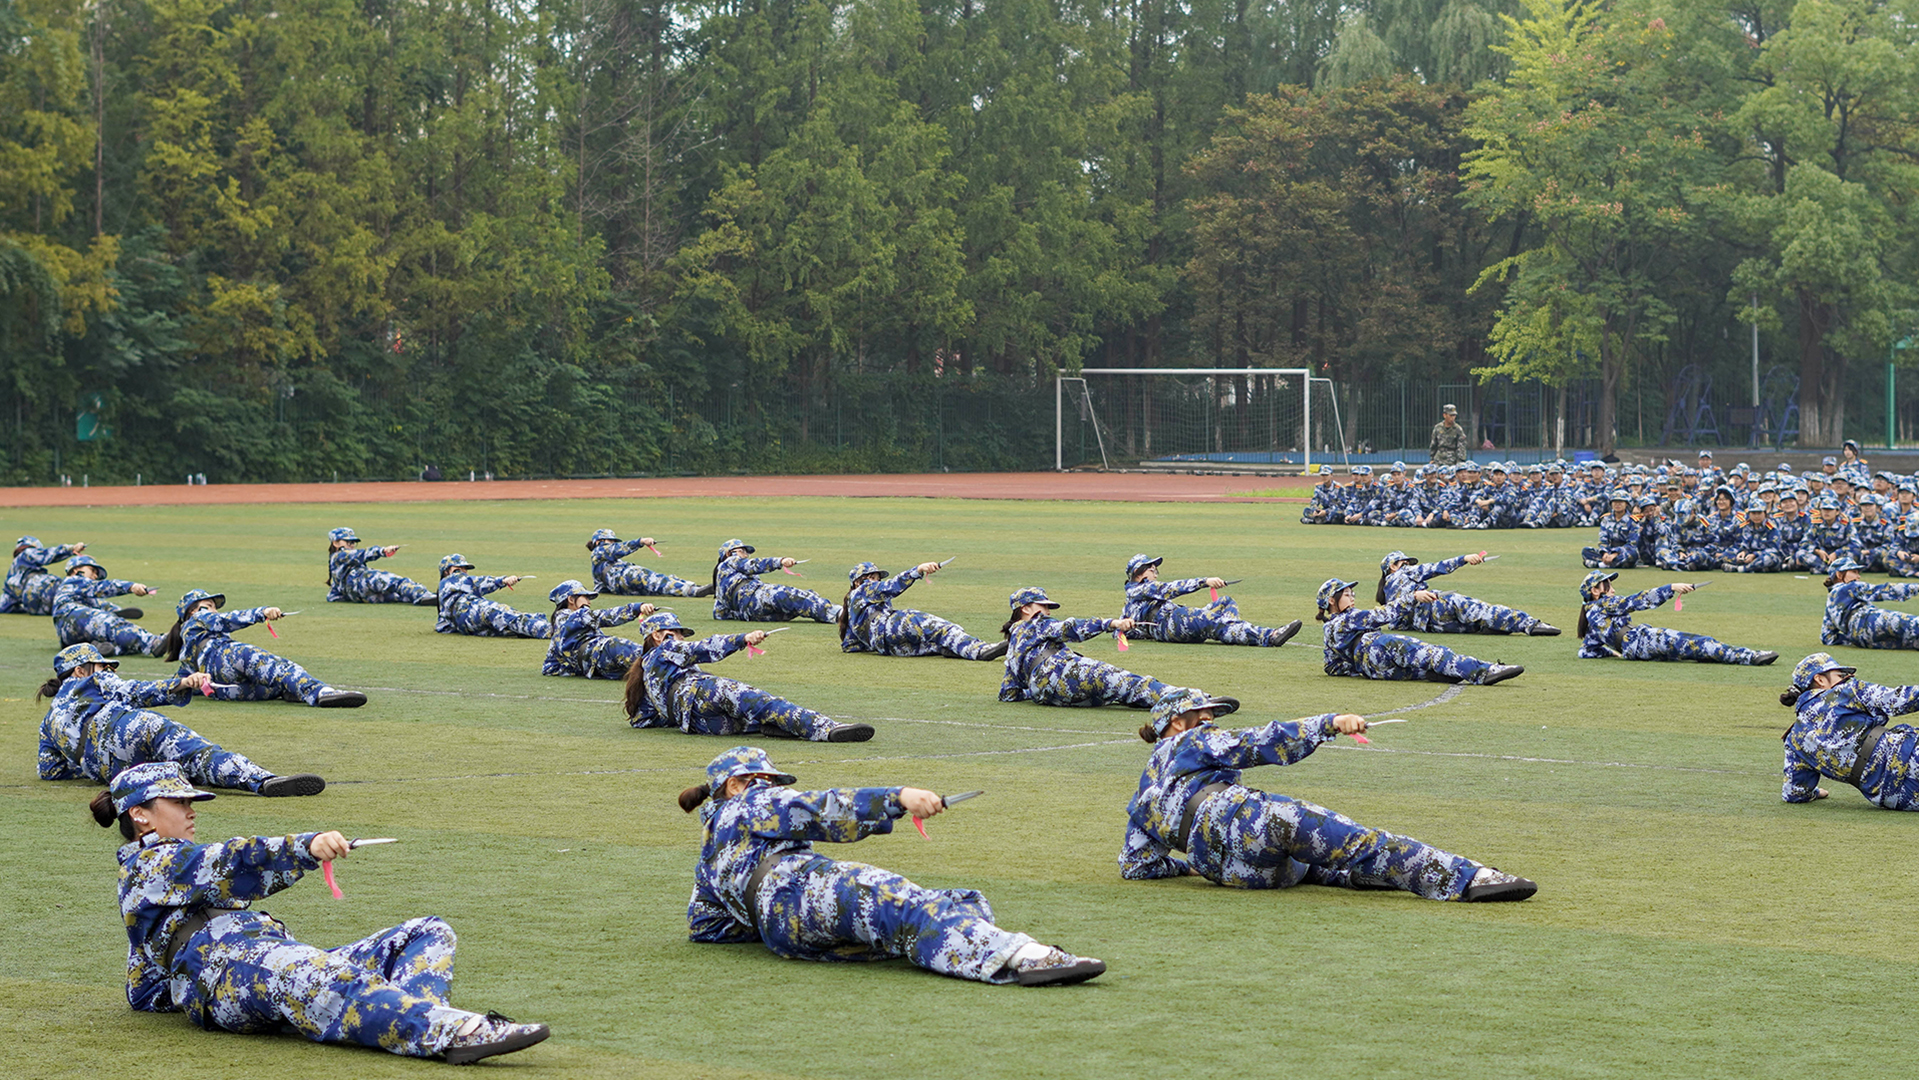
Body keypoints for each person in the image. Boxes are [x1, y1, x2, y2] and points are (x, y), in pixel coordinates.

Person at [94, 762, 548, 1062]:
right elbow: (234, 859)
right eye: (179, 802)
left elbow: (142, 988)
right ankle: (454, 1032)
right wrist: (304, 846)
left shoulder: (170, 870)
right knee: (324, 975)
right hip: (231, 971)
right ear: (140, 816)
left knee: (427, 932)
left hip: (258, 964)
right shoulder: (148, 864)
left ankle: (413, 1018)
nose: (191, 811)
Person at [680, 747, 1106, 985]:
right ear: (735, 785)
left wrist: (771, 917)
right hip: (800, 888)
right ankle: (1024, 956)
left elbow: (705, 925)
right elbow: (820, 807)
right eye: (767, 780)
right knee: (900, 902)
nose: (772, 787)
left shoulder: (710, 844)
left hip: (785, 935)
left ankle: (965, 938)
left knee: (944, 904)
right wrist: (897, 798)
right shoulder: (749, 802)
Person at [1119, 689, 1535, 900]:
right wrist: (1329, 723)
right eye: (1203, 713)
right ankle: (1468, 878)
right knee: (1356, 841)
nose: (1211, 719)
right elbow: (1258, 741)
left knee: (1316, 864)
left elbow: (1136, 865)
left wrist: (1187, 868)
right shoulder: (1190, 741)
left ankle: (1357, 876)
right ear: (1177, 722)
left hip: (1239, 876)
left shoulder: (1142, 794)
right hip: (1250, 822)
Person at [39, 643, 323, 796]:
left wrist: (90, 766)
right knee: (199, 755)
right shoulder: (93, 680)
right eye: (102, 666)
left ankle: (213, 777)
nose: (108, 671)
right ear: (79, 670)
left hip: (115, 772)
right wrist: (182, 683)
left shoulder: (48, 723)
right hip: (133, 729)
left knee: (183, 769)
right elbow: (133, 690)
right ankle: (261, 780)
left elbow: (50, 771)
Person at [627, 612, 873, 741]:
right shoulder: (665, 648)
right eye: (677, 632)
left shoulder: (646, 672)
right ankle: (827, 729)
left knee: (757, 716)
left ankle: (779, 727)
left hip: (702, 725)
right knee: (765, 703)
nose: (681, 637)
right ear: (658, 635)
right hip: (703, 693)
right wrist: (742, 639)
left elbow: (642, 719)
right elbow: (702, 648)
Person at [999, 586, 1199, 708]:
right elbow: (1069, 628)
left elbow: (1008, 694)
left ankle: (1171, 701)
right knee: (1127, 682)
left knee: (1117, 691)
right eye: (1043, 606)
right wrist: (1110, 623)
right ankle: (1189, 699)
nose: (1047, 611)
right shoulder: (1035, 624)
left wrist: (1033, 690)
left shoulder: (1013, 645)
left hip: (1048, 696)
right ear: (1026, 608)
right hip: (1062, 673)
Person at [164, 590, 367, 707]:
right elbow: (226, 619)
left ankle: (294, 691)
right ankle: (321, 692)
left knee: (271, 687)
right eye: (209, 605)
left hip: (221, 685)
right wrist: (262, 613)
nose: (214, 609)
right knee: (279, 667)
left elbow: (181, 678)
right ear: (193, 611)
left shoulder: (187, 644)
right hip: (227, 656)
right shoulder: (199, 618)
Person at [1778, 653, 1919, 809]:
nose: (1846, 677)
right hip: (1911, 757)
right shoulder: (1846, 691)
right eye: (1840, 675)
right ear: (1820, 679)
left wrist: (1814, 793)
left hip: (1896, 797)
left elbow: (1793, 793)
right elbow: (1902, 700)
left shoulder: (1794, 739)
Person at [1316, 578, 1522, 684]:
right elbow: (1384, 614)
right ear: (1332, 601)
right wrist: (1413, 597)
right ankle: (1484, 672)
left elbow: (1331, 667)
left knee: (1422, 669)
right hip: (1380, 646)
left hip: (1375, 671)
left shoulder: (1328, 628)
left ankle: (1446, 673)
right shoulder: (1348, 618)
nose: (1352, 597)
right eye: (1347, 594)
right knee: (1433, 653)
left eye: (1352, 593)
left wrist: (1360, 667)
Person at [1575, 571, 1776, 664]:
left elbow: (1587, 650)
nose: (1612, 589)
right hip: (1644, 640)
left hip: (1636, 647)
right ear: (1595, 591)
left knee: (1694, 650)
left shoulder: (1591, 616)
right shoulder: (1602, 604)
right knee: (1699, 643)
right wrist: (1671, 588)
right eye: (1607, 585)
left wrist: (1614, 653)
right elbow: (1636, 600)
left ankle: (1743, 656)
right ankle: (1750, 656)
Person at [1120, 554, 1301, 647]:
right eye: (1152, 569)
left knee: (1225, 602)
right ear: (1138, 573)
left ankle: (1231, 631)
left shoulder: (1131, 601)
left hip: (1175, 621)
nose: (1155, 573)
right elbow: (1171, 588)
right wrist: (1204, 581)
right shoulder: (1141, 588)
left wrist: (1145, 632)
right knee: (1212, 620)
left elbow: (1121, 631)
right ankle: (1269, 636)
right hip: (1170, 622)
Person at [839, 560, 1005, 660]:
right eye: (872, 578)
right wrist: (917, 570)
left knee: (935, 644)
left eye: (876, 578)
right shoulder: (863, 589)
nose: (875, 582)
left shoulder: (852, 605)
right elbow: (891, 586)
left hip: (886, 647)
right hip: (889, 626)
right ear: (858, 582)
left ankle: (959, 650)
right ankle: (980, 650)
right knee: (940, 628)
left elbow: (850, 645)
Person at [1376, 550, 1558, 636]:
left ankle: (1497, 627)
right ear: (1393, 566)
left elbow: (1396, 619)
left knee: (1473, 626)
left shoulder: (1387, 592)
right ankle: (1529, 624)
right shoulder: (1403, 573)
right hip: (1439, 606)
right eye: (1404, 562)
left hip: (1431, 625)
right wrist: (1463, 559)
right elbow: (1435, 567)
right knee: (1482, 610)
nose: (1408, 565)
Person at [52, 555, 165, 657]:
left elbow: (100, 603)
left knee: (117, 639)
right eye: (92, 570)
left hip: (69, 638)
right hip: (72, 618)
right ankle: (152, 642)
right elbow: (102, 586)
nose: (95, 575)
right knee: (111, 623)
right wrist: (131, 587)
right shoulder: (73, 580)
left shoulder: (77, 591)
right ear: (76, 570)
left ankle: (101, 648)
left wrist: (114, 610)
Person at [541, 580, 653, 678]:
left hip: (600, 668)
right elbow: (606, 616)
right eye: (585, 597)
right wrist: (637, 608)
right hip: (606, 652)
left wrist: (581, 669)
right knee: (652, 659)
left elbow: (549, 668)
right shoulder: (577, 615)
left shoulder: (559, 625)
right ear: (571, 599)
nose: (589, 602)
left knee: (639, 670)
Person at [711, 539, 840, 622]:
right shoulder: (730, 561)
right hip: (755, 596)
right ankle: (839, 614)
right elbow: (753, 565)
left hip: (752, 613)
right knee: (794, 596)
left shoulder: (721, 584)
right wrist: (780, 561)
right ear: (728, 553)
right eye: (741, 551)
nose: (745, 555)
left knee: (803, 599)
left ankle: (828, 612)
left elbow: (719, 614)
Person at [434, 555, 549, 638]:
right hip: (468, 612)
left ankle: (541, 624)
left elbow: (444, 623)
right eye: (458, 569)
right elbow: (476, 582)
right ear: (446, 571)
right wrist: (503, 580)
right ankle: (547, 630)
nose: (463, 571)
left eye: (465, 568)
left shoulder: (445, 590)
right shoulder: (451, 579)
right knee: (503, 614)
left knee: (505, 626)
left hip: (467, 623)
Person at [1821, 558, 1919, 650]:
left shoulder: (1830, 602)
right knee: (1912, 624)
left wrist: (1851, 639)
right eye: (1854, 572)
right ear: (1839, 575)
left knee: (1907, 641)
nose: (1858, 576)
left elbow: (1827, 637)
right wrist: (1915, 588)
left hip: (1861, 640)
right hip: (1867, 620)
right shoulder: (1849, 586)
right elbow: (1882, 591)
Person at [324, 527, 434, 605]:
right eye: (348, 542)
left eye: (353, 542)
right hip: (365, 581)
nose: (352, 545)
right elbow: (363, 554)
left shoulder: (334, 562)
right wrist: (382, 550)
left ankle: (428, 597)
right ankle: (423, 595)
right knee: (398, 582)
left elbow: (334, 594)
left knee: (398, 596)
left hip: (365, 595)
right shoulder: (340, 555)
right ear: (335, 543)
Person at [586, 530, 712, 598]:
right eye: (610, 540)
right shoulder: (599, 551)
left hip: (622, 586)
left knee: (659, 586)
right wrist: (641, 541)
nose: (613, 543)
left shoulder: (602, 560)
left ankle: (694, 588)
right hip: (626, 578)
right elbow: (618, 549)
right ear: (598, 542)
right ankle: (692, 590)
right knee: (657, 581)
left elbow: (600, 588)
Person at [4, 534, 91, 615]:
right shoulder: (27, 553)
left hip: (34, 607)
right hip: (42, 588)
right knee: (71, 590)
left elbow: (5, 605)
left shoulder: (11, 576)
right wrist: (71, 549)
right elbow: (46, 555)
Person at [1581, 492, 1641, 568]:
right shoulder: (1606, 519)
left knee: (1632, 554)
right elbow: (1603, 539)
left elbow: (1632, 544)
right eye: (1615, 502)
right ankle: (1610, 562)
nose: (1617, 504)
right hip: (1609, 550)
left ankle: (1601, 564)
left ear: (1626, 504)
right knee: (1586, 551)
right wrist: (1605, 553)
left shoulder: (1633, 521)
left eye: (1620, 502)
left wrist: (1615, 554)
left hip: (1624, 551)